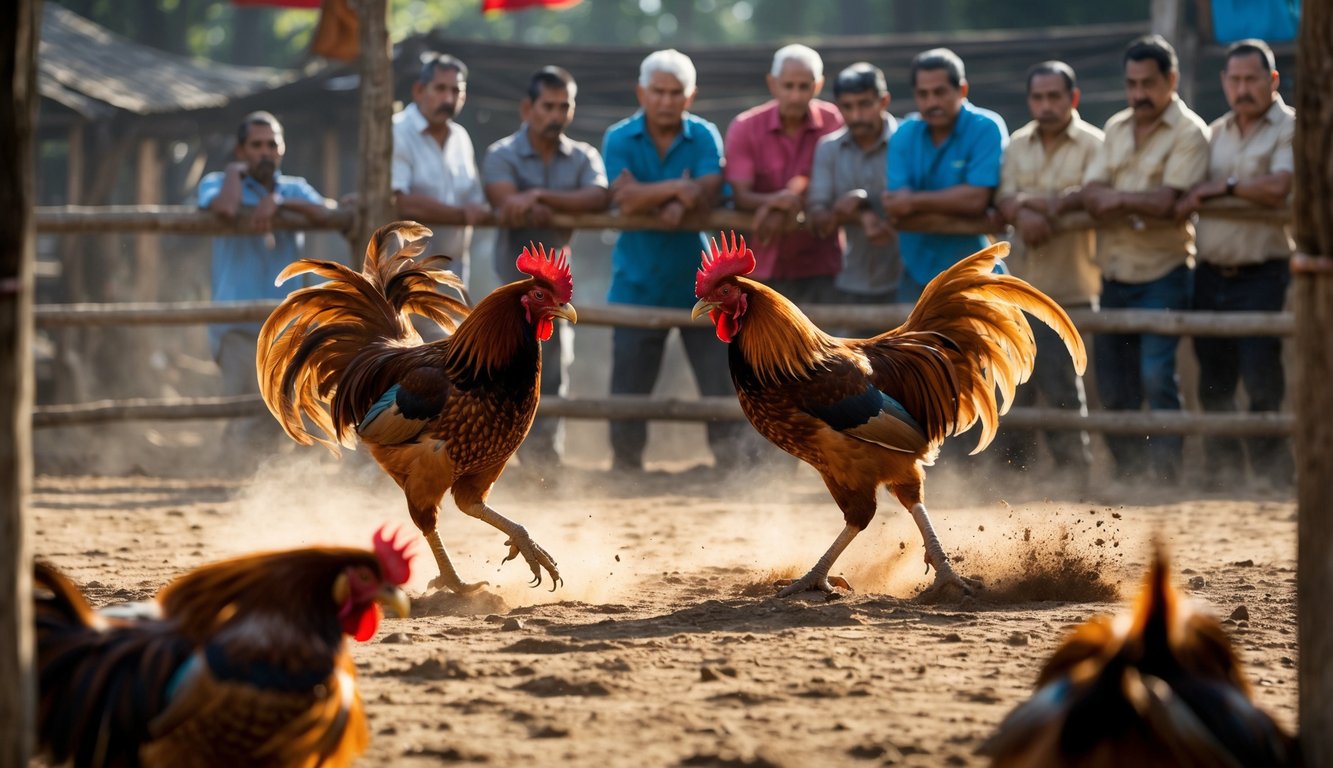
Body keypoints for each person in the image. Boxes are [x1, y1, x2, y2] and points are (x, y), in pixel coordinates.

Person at [600, 49, 746, 473]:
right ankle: (625, 470)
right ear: (642, 92)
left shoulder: (704, 134)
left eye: (675, 92)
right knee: (629, 385)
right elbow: (623, 198)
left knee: (718, 379)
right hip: (635, 280)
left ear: (691, 95)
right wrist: (677, 192)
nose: (666, 100)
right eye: (658, 91)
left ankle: (730, 467)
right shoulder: (618, 137)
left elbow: (707, 188)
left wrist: (669, 195)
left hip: (698, 284)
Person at [1083, 34, 1210, 485]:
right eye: (1132, 83)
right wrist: (1131, 200)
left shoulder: (1191, 132)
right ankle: (1130, 475)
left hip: (1164, 273)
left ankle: (1166, 476)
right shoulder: (1116, 126)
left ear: (1170, 80)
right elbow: (1092, 192)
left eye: (1148, 83)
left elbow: (1166, 201)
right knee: (1115, 386)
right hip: (1114, 273)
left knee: (1157, 376)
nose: (1139, 93)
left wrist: (1115, 199)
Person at [1175, 39, 1295, 491]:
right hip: (1209, 270)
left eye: (1252, 79)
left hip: (1262, 270)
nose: (1243, 88)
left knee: (1262, 375)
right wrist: (1216, 190)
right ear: (1224, 82)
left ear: (1273, 81)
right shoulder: (1215, 132)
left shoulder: (1290, 127)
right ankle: (1224, 479)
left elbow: (1278, 188)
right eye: (1236, 79)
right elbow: (1187, 190)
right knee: (1214, 380)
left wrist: (1219, 187)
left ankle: (1271, 479)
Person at [482, 65, 610, 468]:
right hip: (509, 284)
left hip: (555, 290)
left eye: (564, 106)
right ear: (527, 108)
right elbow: (504, 199)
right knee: (498, 374)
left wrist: (537, 195)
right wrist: (553, 201)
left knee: (552, 373)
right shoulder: (501, 153)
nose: (556, 115)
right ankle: (494, 456)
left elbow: (599, 196)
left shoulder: (583, 155)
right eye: (548, 106)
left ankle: (542, 461)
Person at [198, 110, 337, 459]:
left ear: (282, 148)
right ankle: (232, 477)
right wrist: (234, 171)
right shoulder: (219, 181)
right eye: (256, 145)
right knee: (243, 407)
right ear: (241, 150)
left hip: (288, 326)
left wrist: (278, 202)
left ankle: (276, 488)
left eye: (272, 144)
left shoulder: (294, 188)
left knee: (289, 408)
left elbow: (326, 214)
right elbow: (226, 209)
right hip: (237, 325)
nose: (265, 152)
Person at [991, 61, 1103, 485]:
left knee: (1061, 391)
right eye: (1038, 97)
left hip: (1069, 289)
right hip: (1019, 290)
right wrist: (1023, 209)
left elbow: (1089, 195)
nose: (1046, 105)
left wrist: (1032, 207)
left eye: (1054, 96)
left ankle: (1077, 477)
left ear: (1072, 99)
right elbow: (1003, 197)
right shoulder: (1017, 144)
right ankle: (1009, 480)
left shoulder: (1094, 144)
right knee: (1012, 389)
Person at [881, 47, 1008, 304]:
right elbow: (896, 207)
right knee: (909, 345)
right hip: (917, 274)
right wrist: (960, 203)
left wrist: (914, 202)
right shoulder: (904, 134)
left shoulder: (986, 127)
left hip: (976, 272)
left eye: (939, 92)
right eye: (923, 94)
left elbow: (975, 200)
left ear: (962, 90)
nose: (931, 102)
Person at [724, 44, 844, 305]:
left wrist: (780, 202)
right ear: (772, 83)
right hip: (763, 264)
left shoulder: (833, 121)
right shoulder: (745, 127)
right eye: (788, 86)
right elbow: (741, 195)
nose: (795, 95)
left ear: (819, 85)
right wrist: (778, 202)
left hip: (821, 263)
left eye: (804, 86)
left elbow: (838, 182)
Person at [807, 62, 901, 307]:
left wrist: (861, 200)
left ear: (883, 101)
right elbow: (818, 213)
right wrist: (861, 214)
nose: (856, 115)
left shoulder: (908, 140)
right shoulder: (828, 149)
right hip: (850, 278)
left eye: (865, 104)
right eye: (848, 107)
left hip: (909, 277)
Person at [392, 52, 489, 285]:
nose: (448, 98)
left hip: (454, 271)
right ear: (419, 90)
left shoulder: (460, 137)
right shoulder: (397, 131)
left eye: (456, 91)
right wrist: (461, 214)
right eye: (440, 89)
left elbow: (475, 198)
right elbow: (400, 200)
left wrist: (475, 209)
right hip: (407, 271)